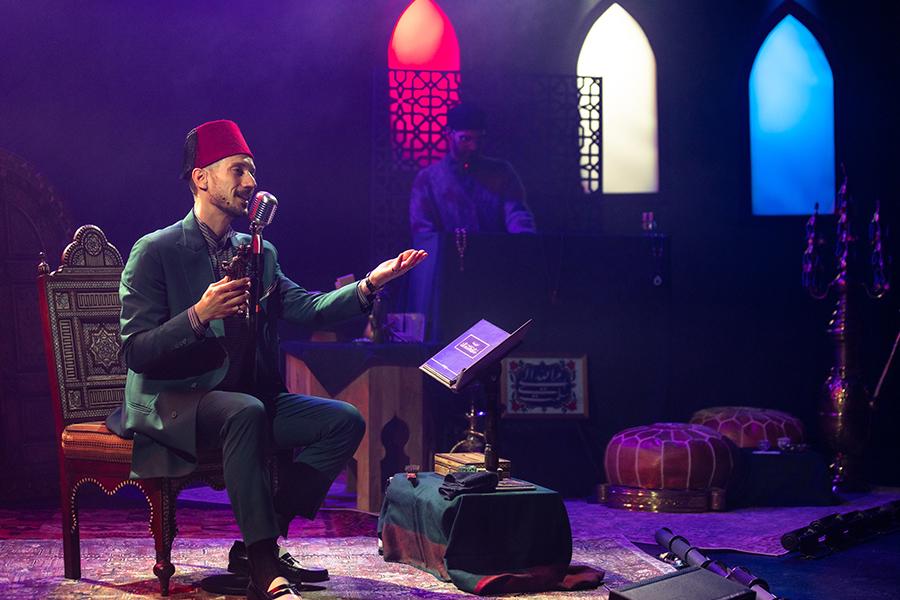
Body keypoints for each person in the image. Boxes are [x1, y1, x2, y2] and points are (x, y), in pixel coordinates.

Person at [106, 119, 427, 600]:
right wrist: (198, 314)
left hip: (242, 401)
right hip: (176, 399)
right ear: (201, 178)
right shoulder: (156, 251)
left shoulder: (257, 252)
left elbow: (307, 307)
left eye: (252, 171)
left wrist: (370, 284)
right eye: (238, 171)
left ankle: (261, 539)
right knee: (246, 411)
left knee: (343, 421)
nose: (250, 183)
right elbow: (136, 351)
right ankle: (262, 565)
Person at [409, 103, 537, 234]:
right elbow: (423, 230)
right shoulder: (428, 179)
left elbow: (516, 214)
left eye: (479, 139)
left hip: (495, 252)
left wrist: (525, 242)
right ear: (449, 133)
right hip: (448, 253)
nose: (473, 147)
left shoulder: (502, 172)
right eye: (465, 139)